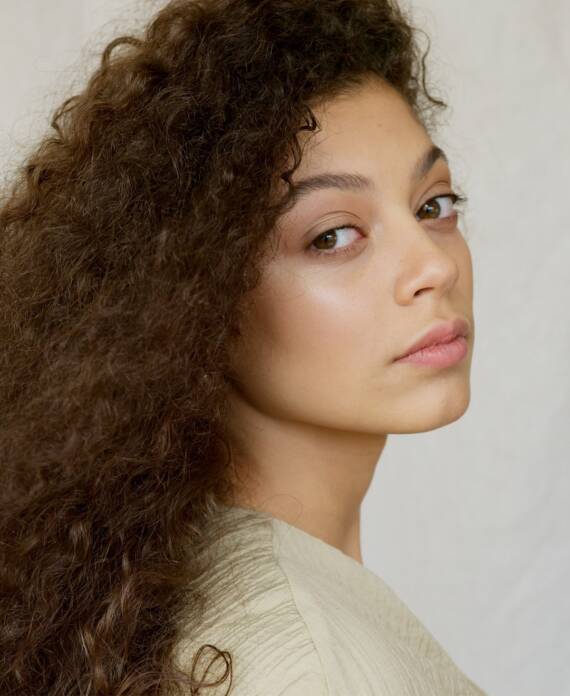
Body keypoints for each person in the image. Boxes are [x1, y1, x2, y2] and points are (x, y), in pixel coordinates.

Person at [0, 0, 485, 694]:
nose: (434, 266)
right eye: (332, 235)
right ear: (195, 297)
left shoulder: (201, 595)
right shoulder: (307, 664)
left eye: (432, 206)